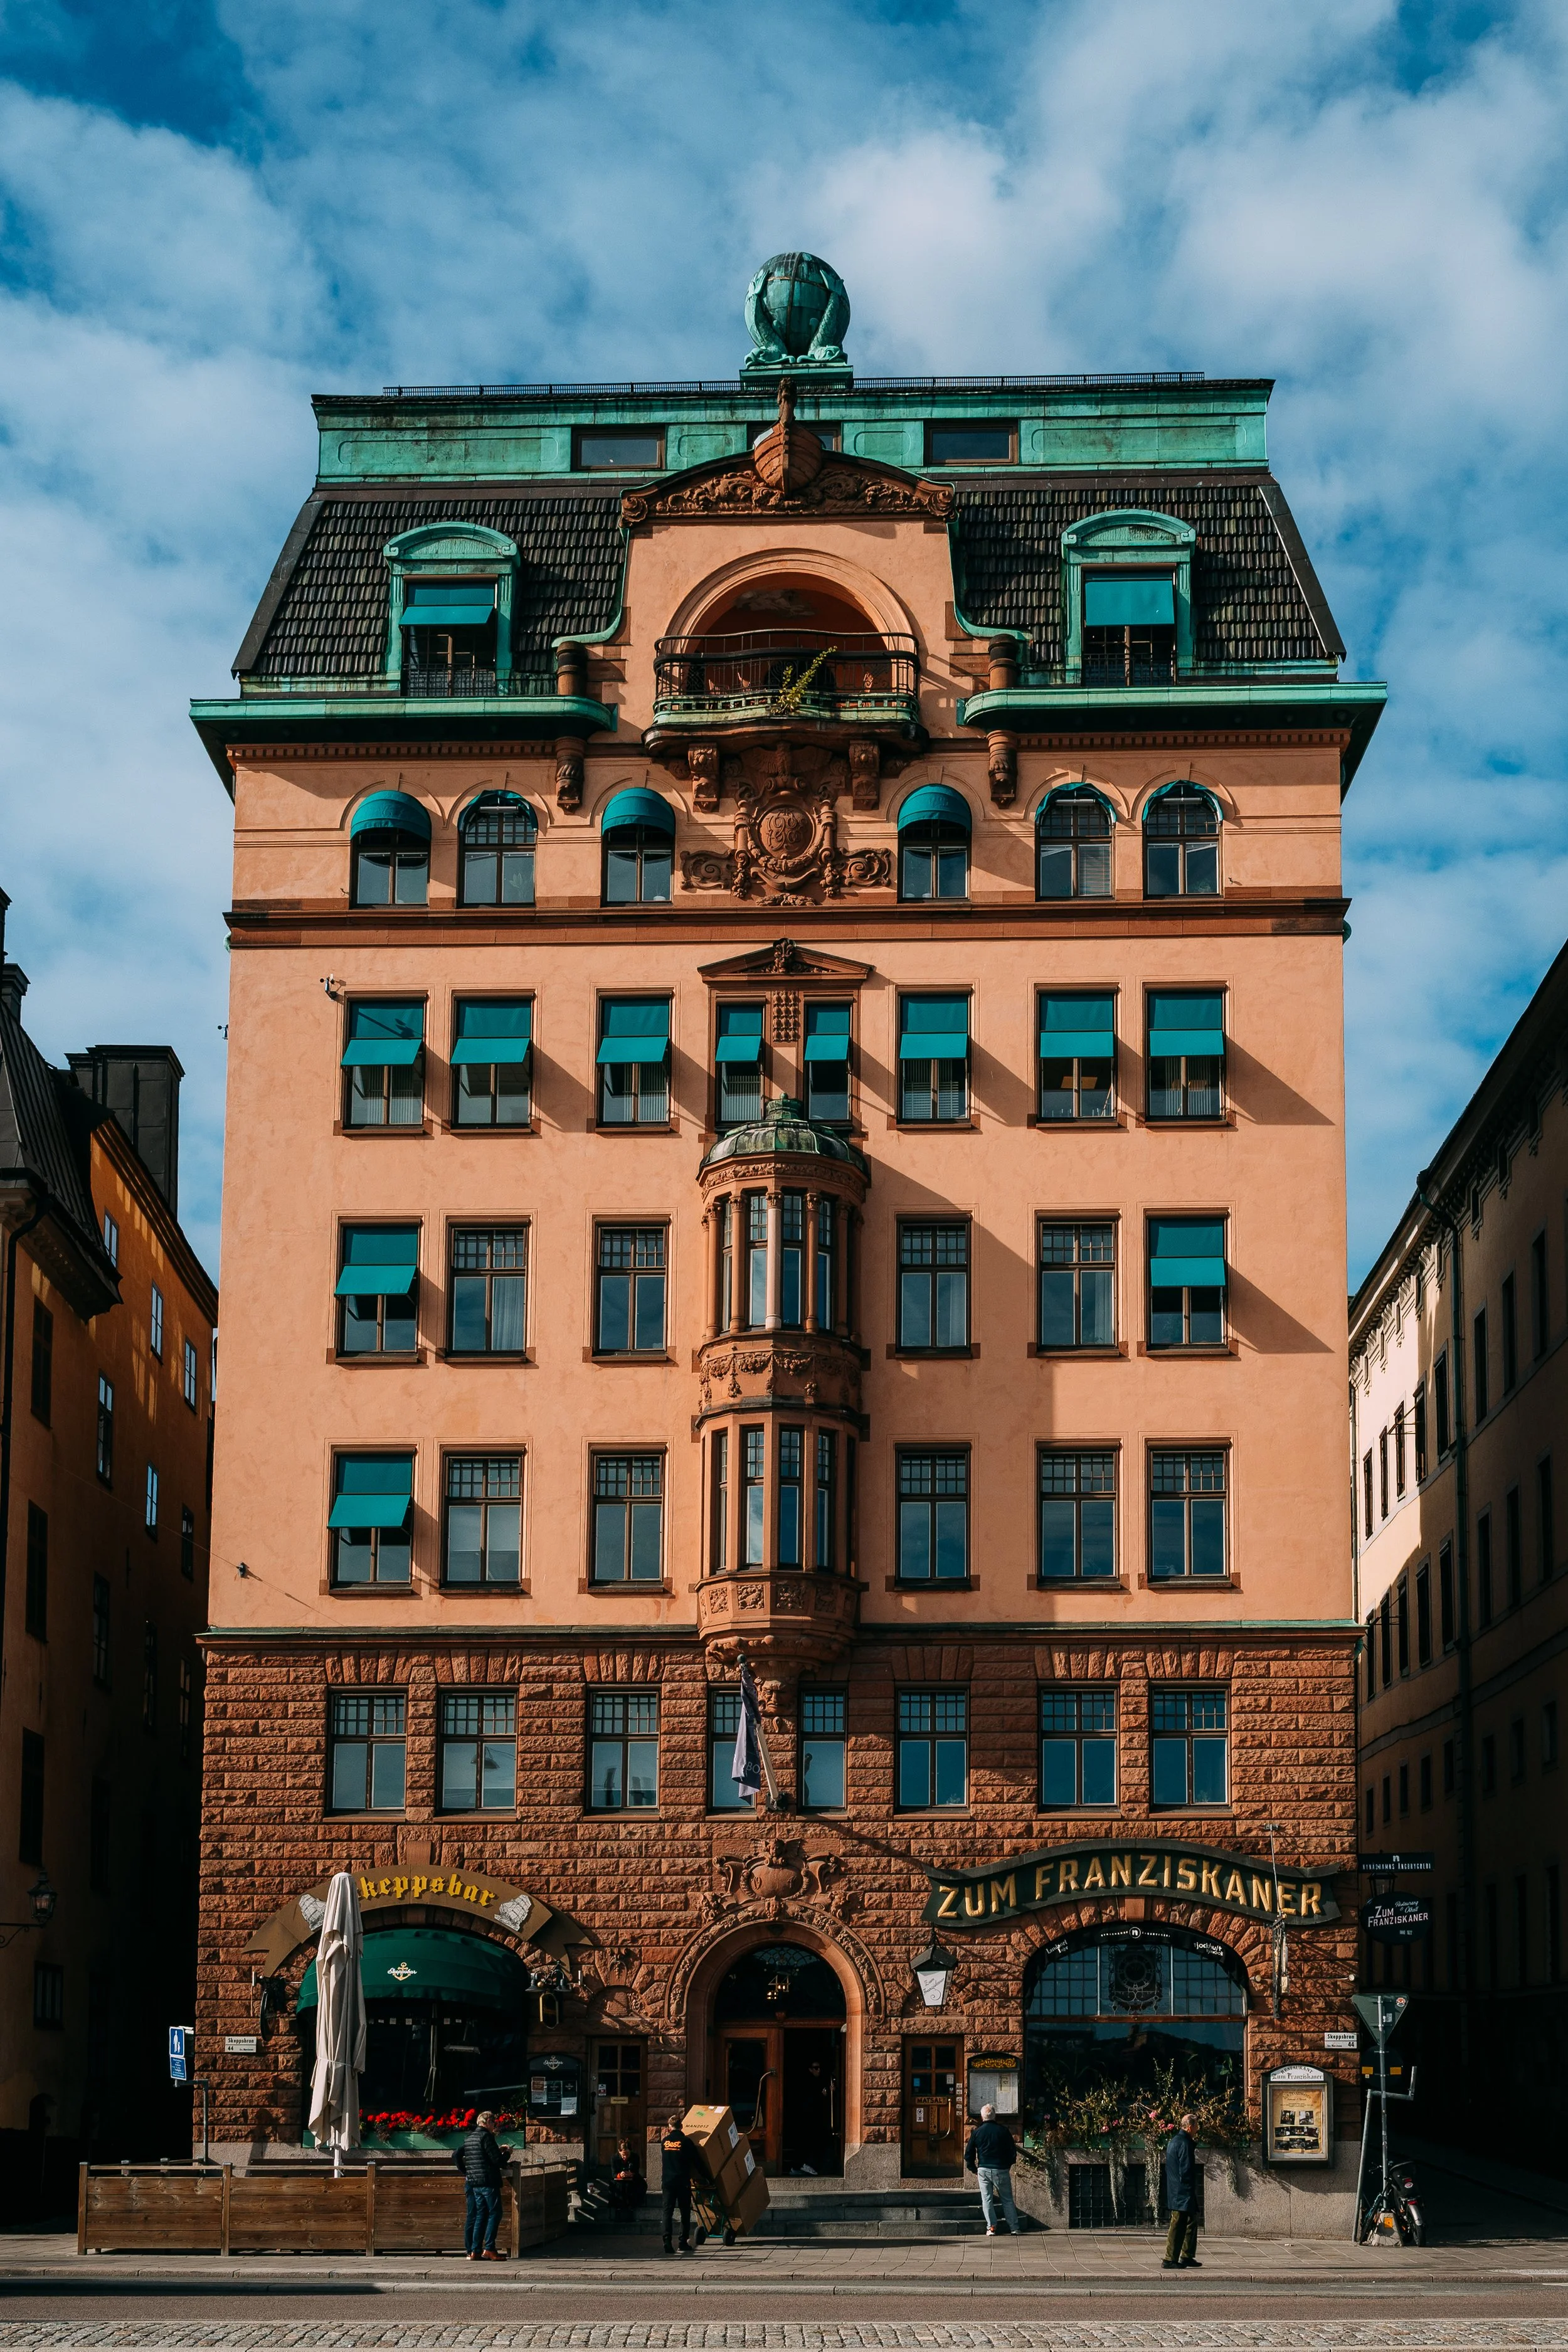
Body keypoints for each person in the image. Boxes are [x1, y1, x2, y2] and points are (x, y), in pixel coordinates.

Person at [453, 2109, 506, 2260]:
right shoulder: (486, 2137)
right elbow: (498, 2161)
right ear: (487, 2122)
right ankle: (490, 2248)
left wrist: (467, 2172)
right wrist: (507, 2153)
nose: (495, 2126)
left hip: (475, 2183)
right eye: (494, 2122)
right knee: (496, 2213)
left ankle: (475, 2250)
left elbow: (460, 2155)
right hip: (488, 2182)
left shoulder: (469, 2138)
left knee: (480, 2215)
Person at [963, 2101, 1022, 2237]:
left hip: (983, 2169)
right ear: (995, 2117)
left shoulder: (977, 2132)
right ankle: (1014, 2228)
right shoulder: (1003, 2131)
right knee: (1007, 2199)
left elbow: (969, 2154)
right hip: (1001, 2169)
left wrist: (974, 2169)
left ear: (982, 2117)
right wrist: (1007, 2165)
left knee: (987, 2200)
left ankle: (992, 2228)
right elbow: (1012, 2152)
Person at [1162, 2112, 1200, 2270]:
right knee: (1178, 2224)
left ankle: (1187, 2255)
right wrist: (1189, 2187)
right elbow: (1186, 2169)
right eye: (1197, 2126)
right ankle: (1169, 2259)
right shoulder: (1184, 2143)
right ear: (1190, 2127)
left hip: (1177, 2188)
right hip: (1182, 2190)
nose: (1198, 2129)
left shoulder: (1175, 2141)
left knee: (1191, 2221)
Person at [659, 2111, 697, 2255]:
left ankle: (667, 2242)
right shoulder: (686, 2142)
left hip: (668, 2181)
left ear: (670, 2127)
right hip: (682, 2181)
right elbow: (696, 2161)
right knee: (684, 2211)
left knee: (667, 2212)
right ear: (681, 2126)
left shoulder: (665, 2142)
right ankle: (683, 2242)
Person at [610, 2135, 645, 2218]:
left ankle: (634, 2206)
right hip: (619, 2180)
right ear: (619, 2152)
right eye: (623, 2155)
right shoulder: (614, 2158)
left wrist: (631, 2174)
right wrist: (620, 2175)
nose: (625, 2157)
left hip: (632, 2179)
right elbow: (613, 2173)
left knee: (639, 2185)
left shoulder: (635, 2157)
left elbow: (636, 2171)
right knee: (618, 2186)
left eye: (628, 2155)